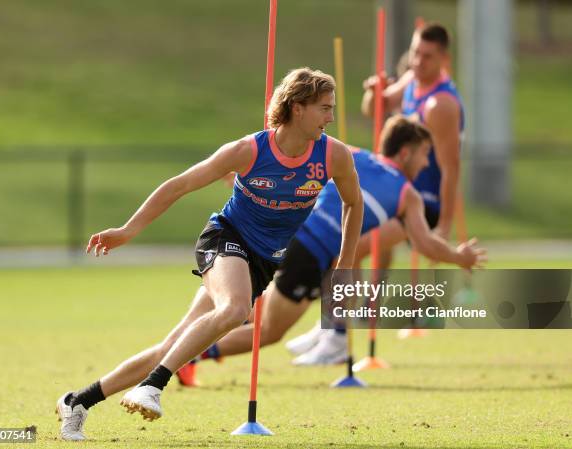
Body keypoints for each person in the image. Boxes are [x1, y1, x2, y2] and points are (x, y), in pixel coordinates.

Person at [54, 67, 363, 441]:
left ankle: (77, 402)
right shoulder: (247, 150)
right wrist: (128, 230)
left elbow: (353, 204)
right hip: (224, 238)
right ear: (297, 108)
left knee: (172, 346)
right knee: (235, 311)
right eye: (324, 108)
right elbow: (179, 185)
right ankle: (154, 385)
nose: (331, 117)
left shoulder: (334, 155)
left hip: (264, 262)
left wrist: (344, 266)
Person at [182, 115, 485, 373]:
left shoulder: (351, 154)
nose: (426, 162)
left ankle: (330, 335)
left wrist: (251, 170)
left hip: (289, 238)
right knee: (269, 331)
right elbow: (427, 245)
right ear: (405, 153)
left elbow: (295, 154)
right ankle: (190, 354)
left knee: (252, 305)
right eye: (424, 153)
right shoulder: (408, 194)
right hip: (309, 253)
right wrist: (460, 258)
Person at [360, 23, 463, 268]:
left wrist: (444, 227)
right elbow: (373, 110)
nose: (418, 61)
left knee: (361, 243)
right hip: (398, 191)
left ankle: (363, 303)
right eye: (416, 52)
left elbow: (451, 168)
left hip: (423, 203)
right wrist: (374, 92)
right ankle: (372, 303)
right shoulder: (411, 81)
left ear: (444, 59)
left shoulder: (440, 105)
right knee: (369, 244)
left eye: (427, 56)